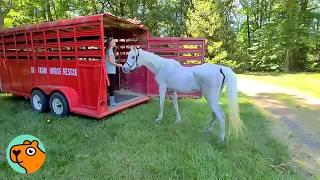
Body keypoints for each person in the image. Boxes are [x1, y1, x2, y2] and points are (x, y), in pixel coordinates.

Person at [105, 37, 122, 106]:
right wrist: (118, 65)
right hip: (111, 71)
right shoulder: (110, 51)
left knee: (109, 86)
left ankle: (109, 100)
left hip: (108, 71)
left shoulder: (108, 50)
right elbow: (112, 61)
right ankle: (112, 102)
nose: (115, 43)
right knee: (112, 86)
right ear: (110, 43)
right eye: (113, 42)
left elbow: (108, 61)